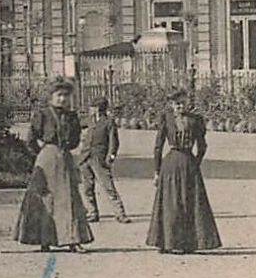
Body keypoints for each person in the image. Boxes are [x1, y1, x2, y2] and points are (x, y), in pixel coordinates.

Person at [13, 80, 94, 252]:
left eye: (66, 96)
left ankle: (73, 240)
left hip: (64, 158)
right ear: (51, 97)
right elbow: (30, 140)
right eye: (59, 95)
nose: (62, 99)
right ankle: (44, 240)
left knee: (69, 198)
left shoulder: (72, 117)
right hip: (47, 159)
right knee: (45, 199)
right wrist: (42, 153)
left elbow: (75, 141)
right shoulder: (42, 115)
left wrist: (66, 147)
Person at [147, 89, 221, 254]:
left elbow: (202, 146)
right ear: (171, 105)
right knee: (170, 203)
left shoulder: (196, 120)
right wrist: (156, 171)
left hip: (189, 164)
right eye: (176, 104)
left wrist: (196, 162)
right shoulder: (166, 119)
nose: (179, 106)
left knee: (190, 203)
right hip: (170, 164)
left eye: (182, 103)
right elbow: (158, 146)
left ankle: (188, 243)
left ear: (186, 103)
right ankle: (166, 242)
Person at [78, 97, 130, 224]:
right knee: (87, 187)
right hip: (85, 158)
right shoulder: (88, 121)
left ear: (98, 109)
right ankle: (92, 212)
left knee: (108, 187)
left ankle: (120, 213)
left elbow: (114, 141)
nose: (89, 109)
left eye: (92, 107)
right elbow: (76, 128)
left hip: (99, 159)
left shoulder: (108, 122)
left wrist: (111, 156)